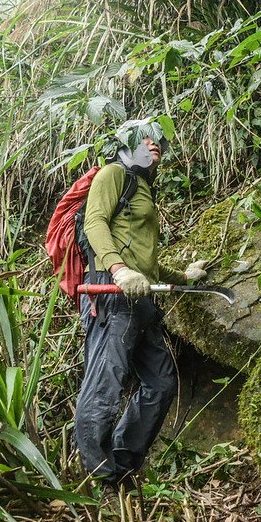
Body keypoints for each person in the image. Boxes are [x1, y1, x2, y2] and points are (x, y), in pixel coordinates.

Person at [74, 131, 206, 490]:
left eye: (159, 140)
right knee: (105, 385)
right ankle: (101, 476)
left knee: (161, 382)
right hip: (112, 294)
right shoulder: (113, 174)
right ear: (126, 144)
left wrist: (184, 276)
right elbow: (95, 223)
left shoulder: (142, 186)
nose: (155, 144)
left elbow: (143, 258)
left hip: (140, 299)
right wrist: (119, 269)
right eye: (146, 139)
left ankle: (123, 464)